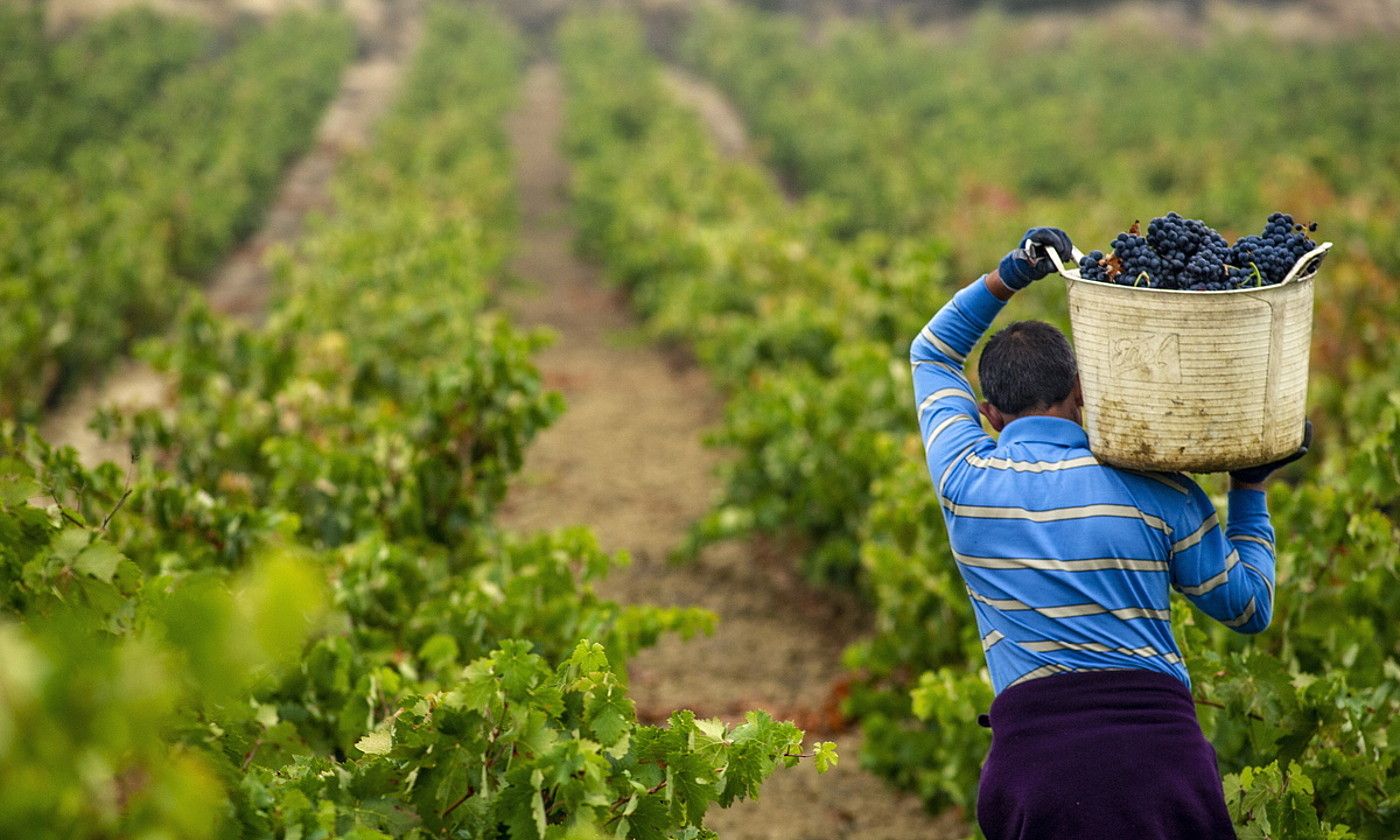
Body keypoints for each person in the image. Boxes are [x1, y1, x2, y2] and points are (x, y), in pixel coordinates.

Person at [909, 227, 1311, 840]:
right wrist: (1250, 491)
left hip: (1037, 777)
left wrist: (1010, 275)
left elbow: (932, 353)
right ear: (1081, 392)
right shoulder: (1158, 487)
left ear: (987, 416)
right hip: (1163, 769)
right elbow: (1251, 607)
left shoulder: (966, 479)